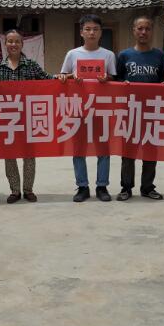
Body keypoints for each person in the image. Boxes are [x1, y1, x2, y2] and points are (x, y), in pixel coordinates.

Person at [0, 29, 56, 204]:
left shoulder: (31, 65)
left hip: (27, 117)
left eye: (17, 41)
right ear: (5, 44)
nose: (13, 44)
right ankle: (14, 190)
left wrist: (63, 78)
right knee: (9, 155)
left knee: (29, 155)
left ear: (22, 43)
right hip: (7, 118)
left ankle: (28, 190)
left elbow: (48, 80)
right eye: (10, 41)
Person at [57, 14, 117, 202]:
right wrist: (71, 76)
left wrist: (106, 78)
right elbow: (62, 77)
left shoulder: (108, 55)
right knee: (78, 149)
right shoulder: (72, 54)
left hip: (101, 108)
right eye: (88, 29)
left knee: (103, 149)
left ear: (101, 32)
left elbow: (114, 79)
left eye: (95, 29)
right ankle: (82, 186)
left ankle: (102, 186)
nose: (92, 33)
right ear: (81, 32)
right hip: (78, 108)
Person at [115, 16, 164, 201]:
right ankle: (126, 188)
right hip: (130, 111)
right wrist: (122, 84)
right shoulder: (124, 56)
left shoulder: (159, 55)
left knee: (150, 151)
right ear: (134, 30)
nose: (143, 32)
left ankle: (147, 187)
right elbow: (116, 81)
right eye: (140, 28)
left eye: (147, 29)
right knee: (128, 153)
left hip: (152, 111)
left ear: (151, 31)